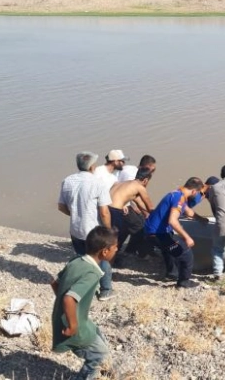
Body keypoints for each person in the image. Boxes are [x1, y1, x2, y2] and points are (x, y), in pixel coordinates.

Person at [51, 226, 117, 380]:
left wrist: (64, 306)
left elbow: (55, 282)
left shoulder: (76, 260)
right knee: (99, 354)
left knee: (98, 333)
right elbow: (69, 299)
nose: (117, 249)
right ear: (105, 251)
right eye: (115, 247)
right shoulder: (92, 273)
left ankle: (102, 368)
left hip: (75, 317)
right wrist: (73, 325)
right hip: (73, 324)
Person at [58, 152, 115, 301]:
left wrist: (76, 215)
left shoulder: (67, 181)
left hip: (75, 229)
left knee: (83, 258)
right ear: (92, 166)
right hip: (93, 231)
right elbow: (104, 212)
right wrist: (109, 231)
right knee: (102, 260)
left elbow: (61, 206)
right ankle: (105, 290)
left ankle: (85, 287)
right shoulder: (98, 183)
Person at [143, 177, 205, 288]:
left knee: (169, 248)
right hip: (157, 234)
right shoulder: (179, 198)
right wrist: (187, 237)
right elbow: (173, 221)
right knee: (186, 254)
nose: (197, 196)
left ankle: (172, 274)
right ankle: (183, 282)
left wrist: (201, 219)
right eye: (198, 193)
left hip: (152, 230)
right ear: (194, 191)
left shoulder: (178, 193)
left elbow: (188, 211)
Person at [108, 167, 155, 266]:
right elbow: (150, 206)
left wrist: (146, 212)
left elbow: (139, 202)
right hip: (115, 211)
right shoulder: (140, 187)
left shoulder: (127, 183)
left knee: (120, 231)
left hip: (106, 208)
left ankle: (114, 255)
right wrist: (158, 216)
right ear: (146, 180)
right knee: (118, 235)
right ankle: (111, 259)